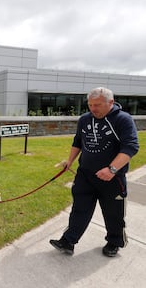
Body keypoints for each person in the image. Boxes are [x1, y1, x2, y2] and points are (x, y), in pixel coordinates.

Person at [50, 87, 139, 257]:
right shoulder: (84, 119)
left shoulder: (123, 120)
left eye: (97, 105)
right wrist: (70, 161)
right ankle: (68, 241)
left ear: (111, 102)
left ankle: (114, 242)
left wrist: (112, 169)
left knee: (114, 212)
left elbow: (131, 146)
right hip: (85, 174)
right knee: (79, 208)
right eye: (90, 104)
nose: (93, 108)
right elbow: (78, 141)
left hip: (112, 178)